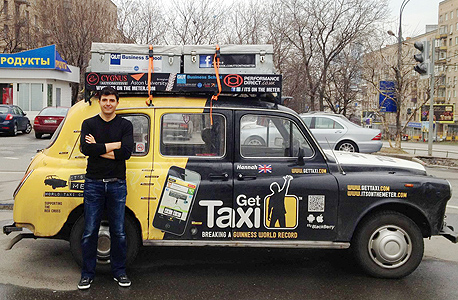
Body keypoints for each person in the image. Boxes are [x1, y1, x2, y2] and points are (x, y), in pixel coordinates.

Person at [77, 86, 134, 290]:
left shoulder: (125, 125)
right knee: (90, 231)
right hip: (93, 183)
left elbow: (126, 153)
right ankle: (87, 274)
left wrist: (99, 147)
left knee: (118, 231)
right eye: (104, 100)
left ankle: (119, 272)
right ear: (99, 102)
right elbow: (86, 149)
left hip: (117, 183)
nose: (108, 103)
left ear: (117, 102)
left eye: (111, 100)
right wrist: (114, 145)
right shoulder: (89, 123)